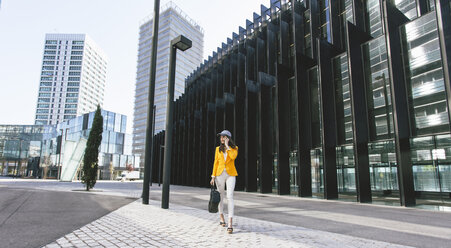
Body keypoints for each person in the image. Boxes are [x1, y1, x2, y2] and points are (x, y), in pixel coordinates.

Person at [210, 130, 238, 234]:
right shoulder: (218, 149)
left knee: (230, 196)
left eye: (224, 137)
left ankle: (230, 222)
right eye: (221, 137)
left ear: (228, 138)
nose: (221, 139)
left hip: (231, 174)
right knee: (220, 196)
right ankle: (221, 216)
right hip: (219, 175)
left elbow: (233, 157)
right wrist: (213, 176)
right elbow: (215, 163)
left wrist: (227, 146)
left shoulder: (234, 148)